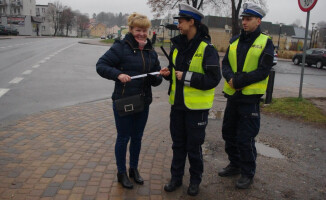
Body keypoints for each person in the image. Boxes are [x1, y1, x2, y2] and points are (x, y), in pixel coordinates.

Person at [160, 3, 221, 196]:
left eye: (181, 21)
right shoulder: (178, 45)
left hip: (197, 109)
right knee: (178, 145)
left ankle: (195, 181)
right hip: (177, 106)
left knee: (193, 147)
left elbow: (213, 79)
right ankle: (176, 179)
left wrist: (185, 77)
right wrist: (167, 74)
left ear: (191, 22)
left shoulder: (207, 48)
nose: (178, 24)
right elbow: (175, 73)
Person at [96, 13, 162, 189]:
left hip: (143, 101)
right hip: (124, 100)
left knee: (137, 138)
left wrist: (159, 76)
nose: (141, 34)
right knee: (123, 137)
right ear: (131, 30)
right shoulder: (121, 47)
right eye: (138, 30)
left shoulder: (150, 50)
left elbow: (156, 78)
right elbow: (101, 66)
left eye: (144, 30)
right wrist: (118, 74)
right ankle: (121, 172)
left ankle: (133, 169)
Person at [218, 2, 274, 189]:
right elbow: (225, 64)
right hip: (233, 97)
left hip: (250, 99)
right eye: (243, 18)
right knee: (228, 133)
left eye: (248, 19)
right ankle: (235, 165)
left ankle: (247, 172)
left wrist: (239, 81)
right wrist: (230, 78)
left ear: (258, 21)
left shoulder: (266, 42)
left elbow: (263, 70)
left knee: (245, 138)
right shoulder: (234, 40)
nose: (244, 22)